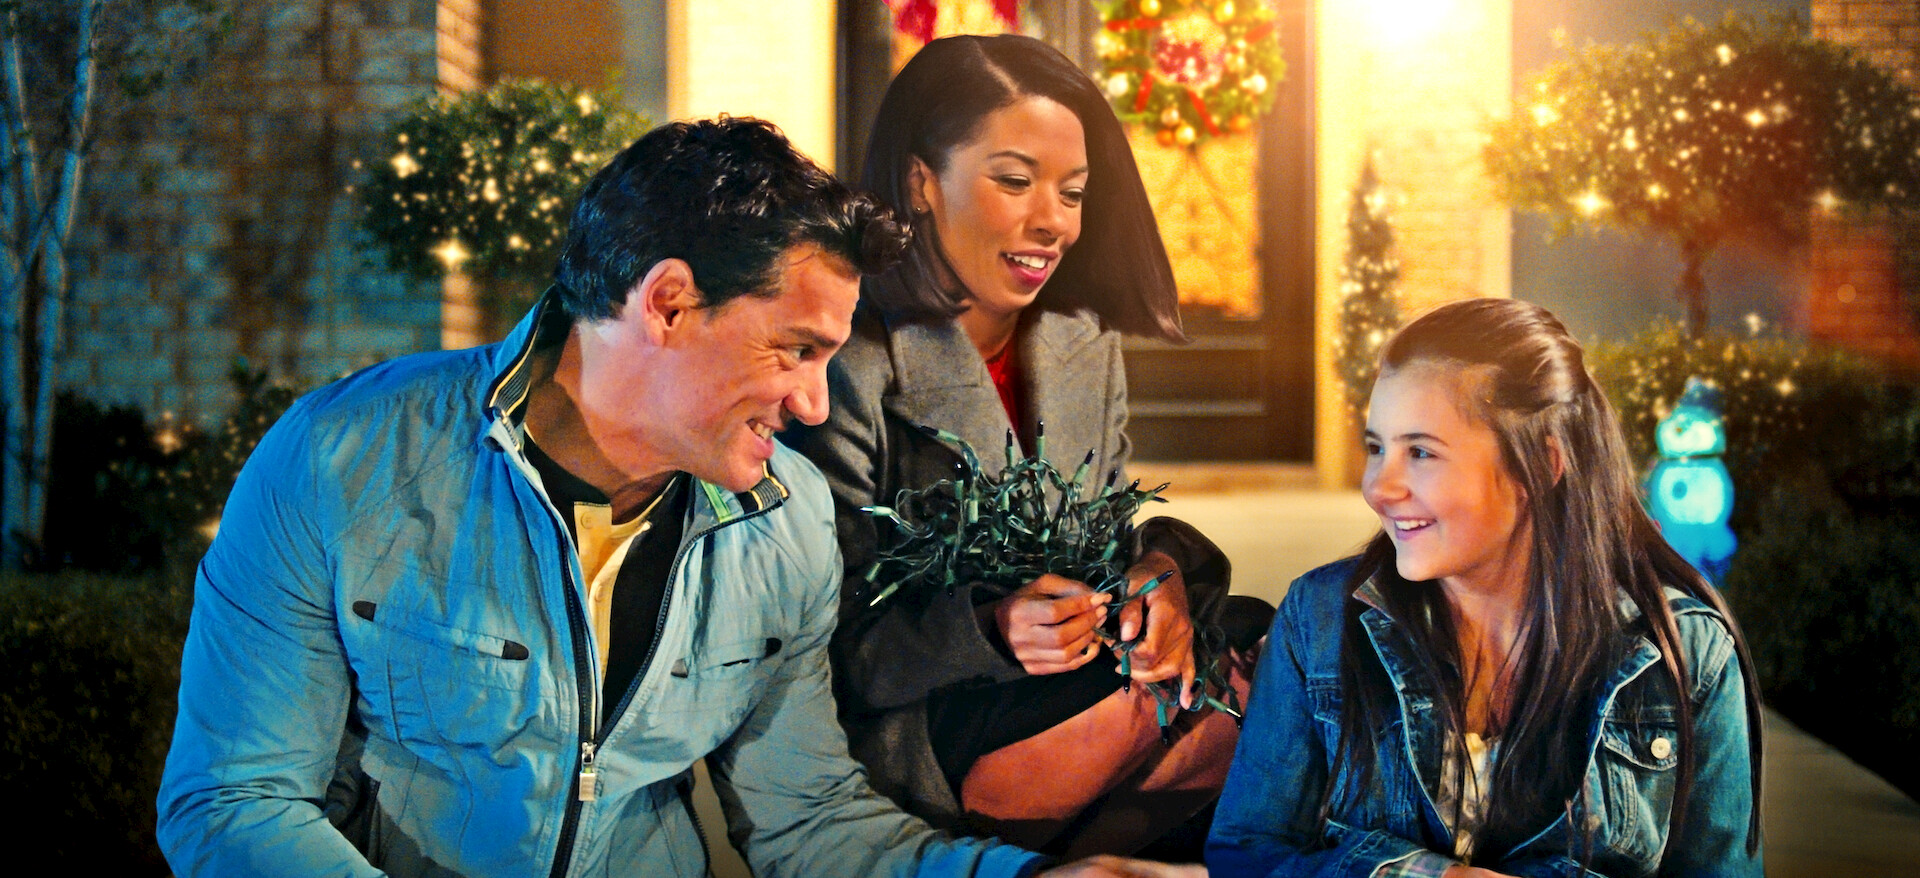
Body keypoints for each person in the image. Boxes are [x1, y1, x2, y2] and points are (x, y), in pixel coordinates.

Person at [156, 116, 1199, 878]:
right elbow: (234, 801)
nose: (813, 401)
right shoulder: (342, 461)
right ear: (667, 302)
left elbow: (808, 820)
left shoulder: (785, 518)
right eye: (795, 349)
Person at [783, 34, 1260, 859]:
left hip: (1084, 676)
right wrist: (992, 627)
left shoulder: (1084, 344)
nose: (1054, 222)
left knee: (1280, 648)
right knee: (1206, 704)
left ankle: (1086, 857)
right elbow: (823, 648)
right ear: (920, 183)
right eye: (1013, 181)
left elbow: (1109, 539)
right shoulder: (849, 361)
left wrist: (1156, 584)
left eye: (1072, 193)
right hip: (939, 718)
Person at [1207, 298, 1764, 877]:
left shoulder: (1685, 653)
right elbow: (1246, 854)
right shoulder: (1320, 619)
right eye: (1376, 448)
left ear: (1540, 466)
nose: (1380, 488)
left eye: (1420, 452)